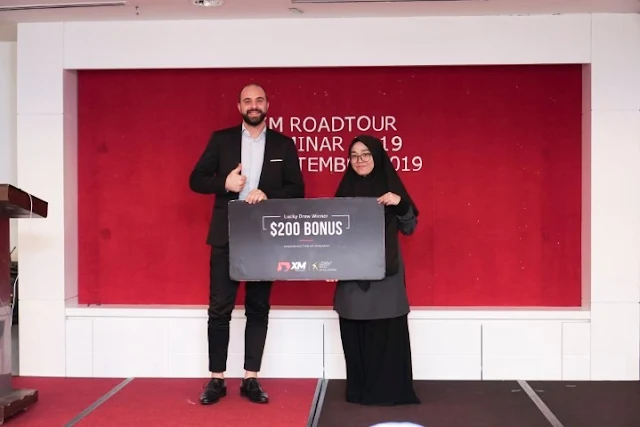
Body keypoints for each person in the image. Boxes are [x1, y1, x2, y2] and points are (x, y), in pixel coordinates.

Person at [189, 83, 304, 405]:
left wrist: (269, 194)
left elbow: (297, 189)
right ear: (239, 107)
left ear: (267, 105)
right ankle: (216, 379)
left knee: (258, 308)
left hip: (264, 240)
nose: (254, 105)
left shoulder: (283, 144)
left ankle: (251, 378)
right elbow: (196, 179)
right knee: (219, 309)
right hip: (225, 235)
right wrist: (224, 183)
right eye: (248, 101)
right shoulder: (221, 140)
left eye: (259, 100)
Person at [331, 135, 420, 406]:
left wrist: (399, 202)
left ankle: (389, 392)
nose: (360, 160)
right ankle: (360, 392)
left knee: (387, 332)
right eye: (354, 155)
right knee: (354, 330)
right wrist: (329, 262)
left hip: (386, 278)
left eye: (366, 154)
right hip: (352, 278)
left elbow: (409, 227)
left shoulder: (391, 190)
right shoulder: (344, 192)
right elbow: (332, 235)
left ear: (378, 157)